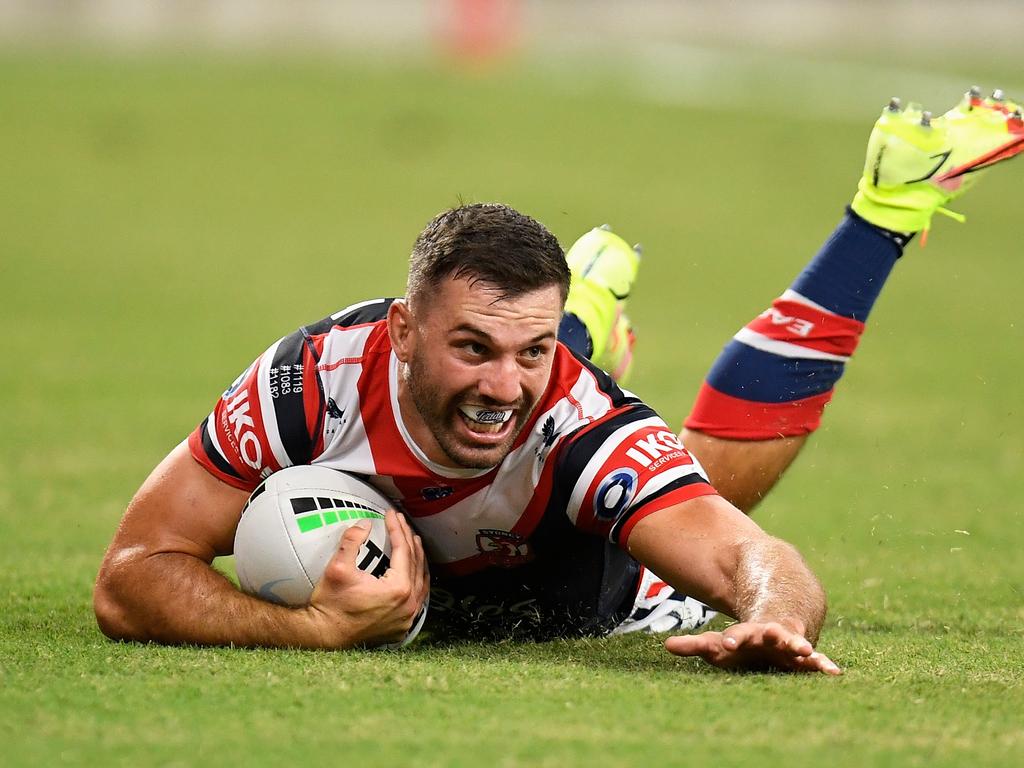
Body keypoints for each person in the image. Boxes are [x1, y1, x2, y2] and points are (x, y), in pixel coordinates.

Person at [94, 89, 1021, 674]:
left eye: (533, 351)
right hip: (464, 493)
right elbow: (128, 579)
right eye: (473, 346)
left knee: (703, 480)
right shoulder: (307, 384)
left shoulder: (579, 422)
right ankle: (584, 320)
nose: (506, 382)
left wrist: (774, 619)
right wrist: (311, 633)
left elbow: (757, 559)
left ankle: (878, 219)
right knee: (507, 405)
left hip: (571, 582)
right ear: (402, 331)